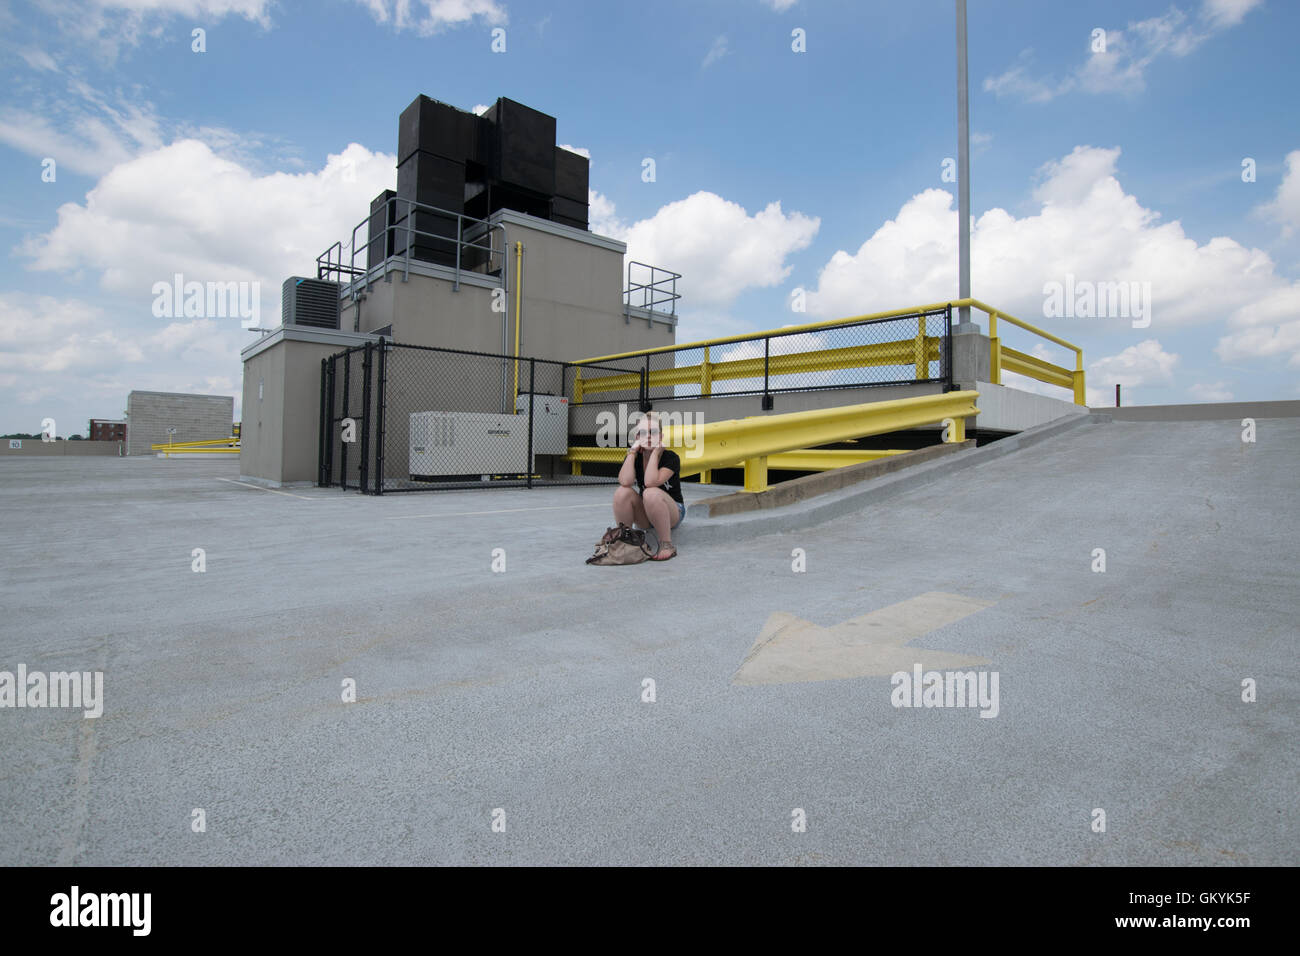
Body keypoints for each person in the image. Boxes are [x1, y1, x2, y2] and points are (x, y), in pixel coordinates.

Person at [613, 412, 685, 561]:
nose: (649, 436)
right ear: (638, 437)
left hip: (672, 511)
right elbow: (625, 481)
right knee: (622, 492)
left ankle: (666, 544)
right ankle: (626, 541)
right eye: (643, 433)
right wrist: (632, 451)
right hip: (647, 511)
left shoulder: (670, 458)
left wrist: (654, 453)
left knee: (650, 492)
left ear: (661, 436)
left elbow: (651, 482)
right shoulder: (635, 456)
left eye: (653, 432)